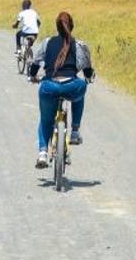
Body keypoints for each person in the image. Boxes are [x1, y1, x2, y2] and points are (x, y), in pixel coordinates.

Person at [27, 12, 94, 168]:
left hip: (49, 86)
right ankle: (75, 131)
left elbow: (35, 65)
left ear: (57, 27)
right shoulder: (78, 45)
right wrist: (89, 78)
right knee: (81, 87)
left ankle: (42, 152)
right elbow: (88, 71)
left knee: (45, 120)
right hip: (72, 86)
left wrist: (32, 76)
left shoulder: (47, 42)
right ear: (72, 26)